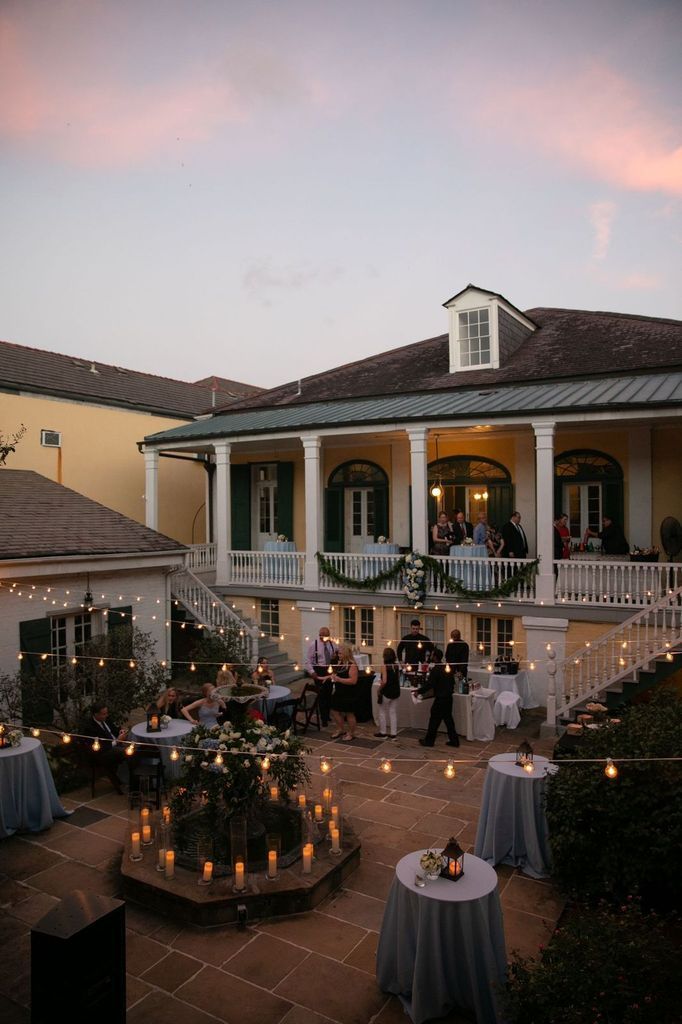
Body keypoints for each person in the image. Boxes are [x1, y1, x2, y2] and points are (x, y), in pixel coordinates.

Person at [78, 701, 129, 795]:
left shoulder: (106, 719)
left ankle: (130, 777)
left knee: (134, 746)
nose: (106, 715)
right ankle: (123, 780)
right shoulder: (90, 728)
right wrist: (117, 741)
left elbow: (113, 729)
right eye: (103, 714)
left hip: (114, 745)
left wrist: (121, 732)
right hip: (102, 753)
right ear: (95, 714)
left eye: (106, 713)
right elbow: (100, 747)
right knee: (128, 753)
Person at [415, 648, 459, 748]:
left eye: (431, 655)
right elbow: (452, 682)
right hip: (448, 698)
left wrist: (419, 691)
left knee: (434, 719)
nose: (430, 656)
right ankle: (454, 741)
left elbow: (429, 684)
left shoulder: (436, 670)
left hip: (441, 698)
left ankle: (429, 741)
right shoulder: (446, 667)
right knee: (448, 719)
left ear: (434, 657)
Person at [305, 626, 338, 727]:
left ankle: (327, 715)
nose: (323, 639)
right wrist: (312, 672)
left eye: (325, 637)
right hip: (319, 670)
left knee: (329, 693)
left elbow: (337, 655)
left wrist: (335, 657)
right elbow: (308, 661)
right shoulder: (313, 645)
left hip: (329, 670)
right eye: (321, 636)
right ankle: (323, 718)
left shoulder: (333, 644)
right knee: (322, 694)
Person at [329, 644, 359, 741]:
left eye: (340, 653)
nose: (338, 655)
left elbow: (353, 681)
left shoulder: (352, 665)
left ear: (346, 654)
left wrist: (339, 679)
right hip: (339, 691)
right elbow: (336, 674)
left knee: (349, 714)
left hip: (348, 693)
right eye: (338, 653)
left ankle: (351, 733)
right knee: (334, 710)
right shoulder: (340, 663)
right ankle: (340, 729)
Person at [374, 647, 401, 739]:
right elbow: (397, 678)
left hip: (387, 691)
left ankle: (383, 732)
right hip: (396, 691)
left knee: (382, 712)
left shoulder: (384, 666)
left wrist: (379, 689)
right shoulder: (396, 666)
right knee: (393, 712)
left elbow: (384, 681)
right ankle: (393, 733)